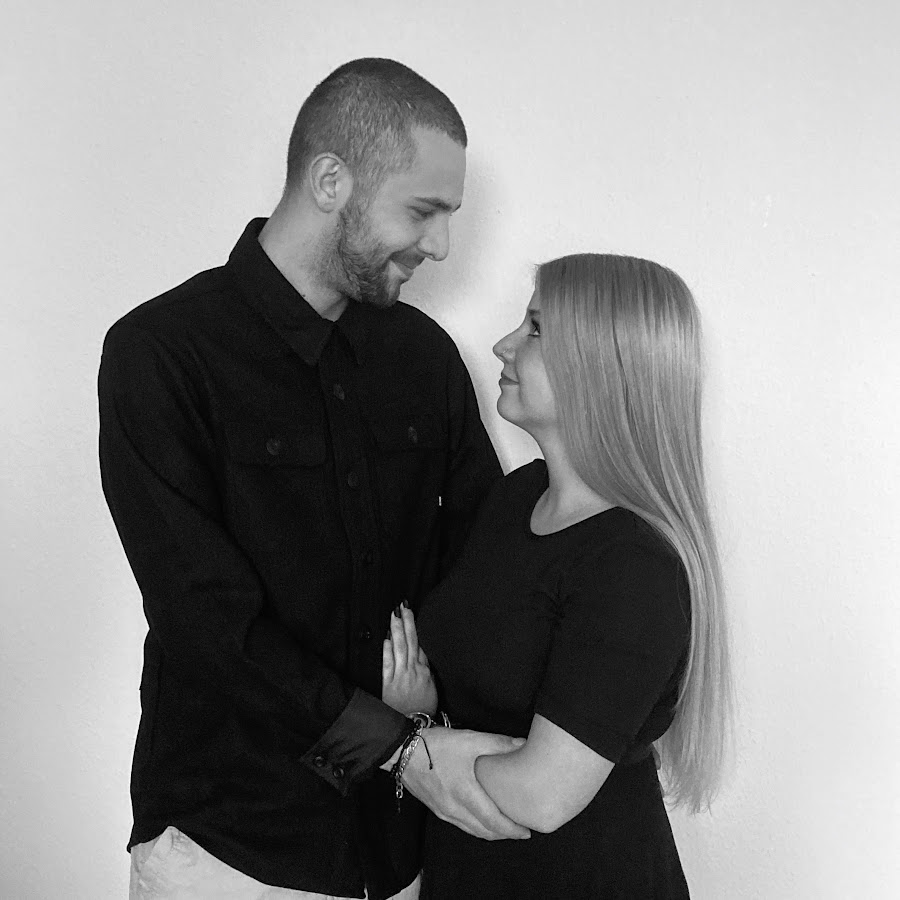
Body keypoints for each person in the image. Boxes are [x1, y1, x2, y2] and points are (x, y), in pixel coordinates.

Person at [98, 58, 528, 900]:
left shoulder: (424, 360)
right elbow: (204, 616)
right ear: (332, 181)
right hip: (232, 851)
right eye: (424, 211)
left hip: (400, 849)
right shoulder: (163, 354)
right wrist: (395, 744)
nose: (441, 245)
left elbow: (484, 571)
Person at [384, 253, 733, 897]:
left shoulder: (634, 567)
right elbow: (480, 688)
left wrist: (411, 749)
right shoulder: (518, 496)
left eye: (536, 329)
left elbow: (542, 797)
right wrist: (427, 722)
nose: (503, 344)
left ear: (604, 367)